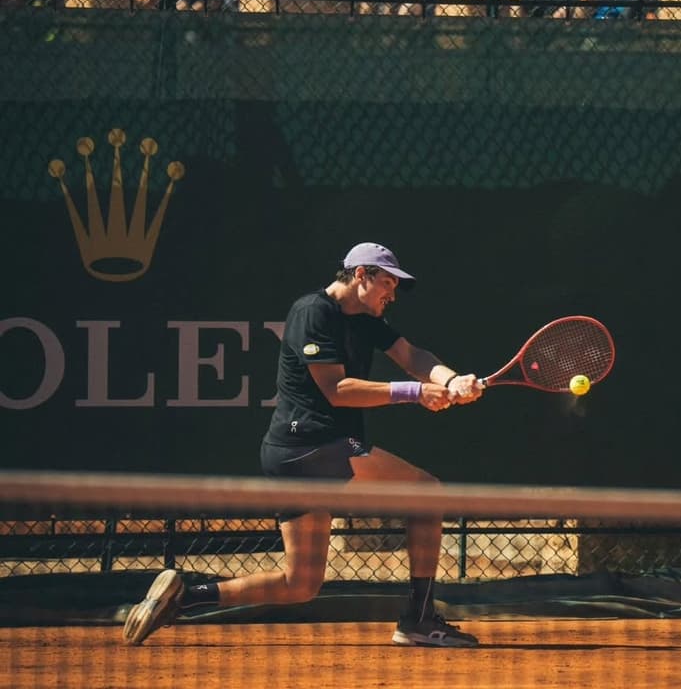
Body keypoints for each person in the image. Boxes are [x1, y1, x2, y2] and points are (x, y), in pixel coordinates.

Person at [123, 242, 484, 649]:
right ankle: (418, 620)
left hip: (297, 454)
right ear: (360, 275)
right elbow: (337, 389)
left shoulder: (366, 317)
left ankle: (183, 598)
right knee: (426, 494)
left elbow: (412, 355)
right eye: (386, 283)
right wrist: (415, 393)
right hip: (312, 446)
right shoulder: (312, 313)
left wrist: (451, 379)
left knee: (300, 584)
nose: (392, 294)